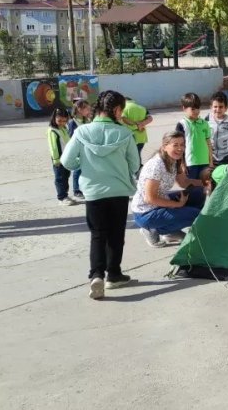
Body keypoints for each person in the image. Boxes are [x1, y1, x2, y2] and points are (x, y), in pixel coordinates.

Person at [59, 90, 140, 300]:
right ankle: (114, 274)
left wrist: (83, 165)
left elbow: (67, 161)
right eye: (121, 110)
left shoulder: (82, 132)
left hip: (94, 192)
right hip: (119, 191)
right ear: (116, 110)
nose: (122, 114)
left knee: (98, 235)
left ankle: (96, 275)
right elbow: (135, 164)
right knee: (116, 234)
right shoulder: (125, 134)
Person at [131, 131, 203, 248]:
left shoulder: (174, 160)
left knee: (198, 193)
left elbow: (184, 183)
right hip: (145, 212)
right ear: (164, 146)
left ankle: (170, 232)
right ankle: (152, 229)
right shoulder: (156, 165)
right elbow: (150, 199)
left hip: (159, 203)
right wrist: (177, 204)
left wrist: (208, 182)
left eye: (182, 144)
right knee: (195, 215)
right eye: (175, 145)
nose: (180, 148)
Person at [174, 93, 213, 180]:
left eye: (198, 108)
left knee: (204, 186)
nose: (196, 111)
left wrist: (210, 161)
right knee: (191, 187)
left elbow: (208, 143)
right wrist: (181, 163)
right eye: (193, 109)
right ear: (184, 108)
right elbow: (179, 146)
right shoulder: (182, 124)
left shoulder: (204, 123)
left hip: (205, 162)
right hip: (190, 163)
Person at [48, 107, 75, 206]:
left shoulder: (63, 128)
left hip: (66, 157)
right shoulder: (52, 130)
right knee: (60, 178)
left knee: (66, 176)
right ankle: (61, 197)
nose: (62, 123)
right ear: (54, 118)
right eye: (59, 120)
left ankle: (65, 195)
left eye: (64, 121)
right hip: (58, 159)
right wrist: (56, 160)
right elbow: (53, 147)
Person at [206, 92, 228, 166]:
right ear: (211, 107)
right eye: (215, 106)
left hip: (227, 158)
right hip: (211, 159)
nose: (218, 109)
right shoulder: (206, 122)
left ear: (226, 108)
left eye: (221, 107)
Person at [68, 100, 92, 200]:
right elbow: (71, 136)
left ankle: (85, 187)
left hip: (88, 149)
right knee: (77, 170)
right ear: (79, 109)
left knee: (86, 169)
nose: (89, 110)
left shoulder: (87, 120)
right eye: (86, 108)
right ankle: (76, 190)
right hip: (78, 149)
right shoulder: (72, 122)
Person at [120, 96, 153, 163]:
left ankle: (134, 171)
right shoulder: (142, 108)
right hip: (141, 137)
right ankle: (139, 169)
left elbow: (123, 118)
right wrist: (141, 124)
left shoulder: (123, 108)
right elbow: (150, 118)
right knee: (138, 154)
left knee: (130, 157)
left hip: (129, 136)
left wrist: (135, 125)